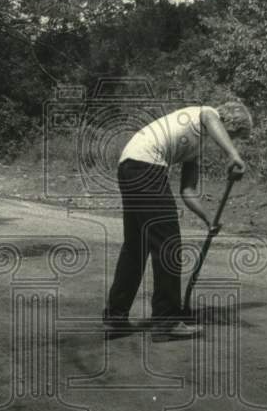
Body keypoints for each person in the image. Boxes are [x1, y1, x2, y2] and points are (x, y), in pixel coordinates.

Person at [104, 102, 252, 340]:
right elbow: (210, 118)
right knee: (168, 245)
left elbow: (188, 190)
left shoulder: (194, 141)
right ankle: (167, 321)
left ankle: (116, 318)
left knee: (136, 246)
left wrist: (208, 219)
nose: (229, 140)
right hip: (146, 167)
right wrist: (233, 155)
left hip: (130, 166)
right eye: (234, 135)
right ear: (230, 123)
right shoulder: (207, 113)